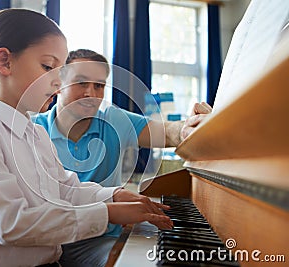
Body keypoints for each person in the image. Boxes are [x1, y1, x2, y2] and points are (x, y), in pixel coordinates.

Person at [0, 9, 173, 267]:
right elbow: (9, 223)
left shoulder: (35, 133)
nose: (58, 82)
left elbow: (65, 189)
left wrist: (114, 196)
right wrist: (107, 213)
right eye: (48, 67)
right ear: (5, 62)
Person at [33, 49, 211, 266]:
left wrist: (187, 128)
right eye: (81, 83)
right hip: (45, 240)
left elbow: (165, 132)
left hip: (98, 240)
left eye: (99, 86)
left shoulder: (114, 119)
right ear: (58, 85)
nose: (91, 93)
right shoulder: (33, 129)